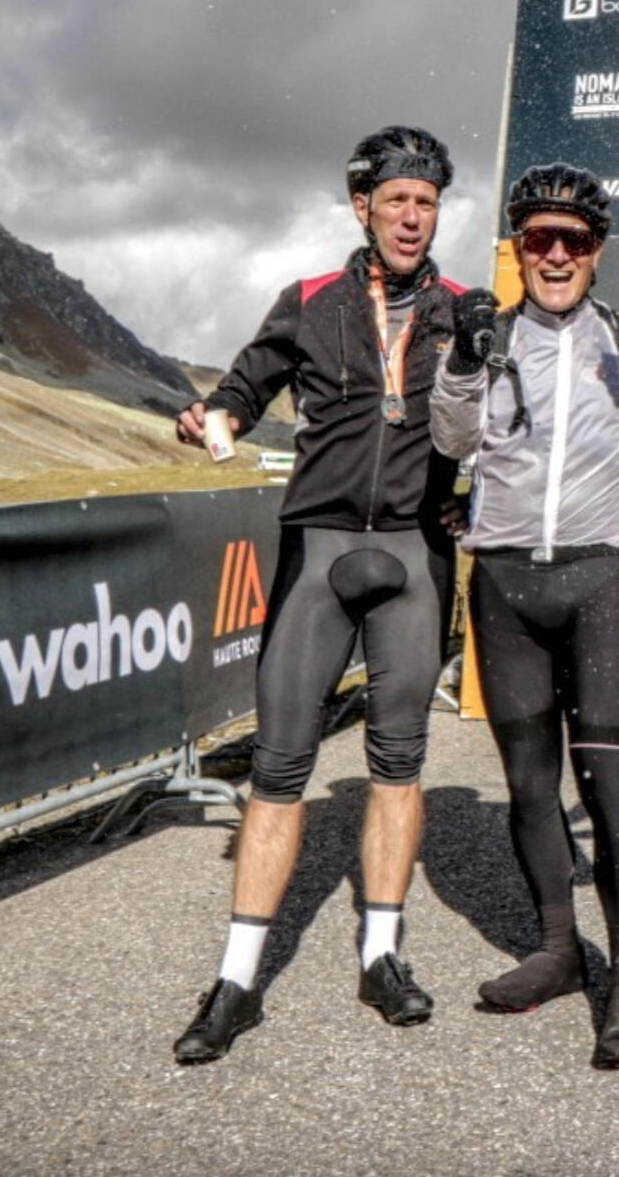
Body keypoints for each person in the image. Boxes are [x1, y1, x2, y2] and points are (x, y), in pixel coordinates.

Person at [171, 125, 466, 1063]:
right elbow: (243, 388)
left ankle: (381, 957)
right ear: (361, 207)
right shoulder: (307, 302)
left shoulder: (466, 310)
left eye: (426, 203)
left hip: (415, 555)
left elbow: (508, 425)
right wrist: (213, 416)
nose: (412, 218)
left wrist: (477, 502)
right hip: (319, 551)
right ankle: (236, 981)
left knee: (399, 763)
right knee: (280, 769)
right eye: (397, 201)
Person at [430, 163, 619, 1070]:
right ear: (517, 247)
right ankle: (557, 948)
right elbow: (450, 441)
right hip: (504, 584)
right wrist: (463, 361)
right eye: (538, 239)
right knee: (526, 785)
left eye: (573, 241)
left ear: (597, 250)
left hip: (599, 583)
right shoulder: (487, 338)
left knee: (610, 788)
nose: (555, 256)